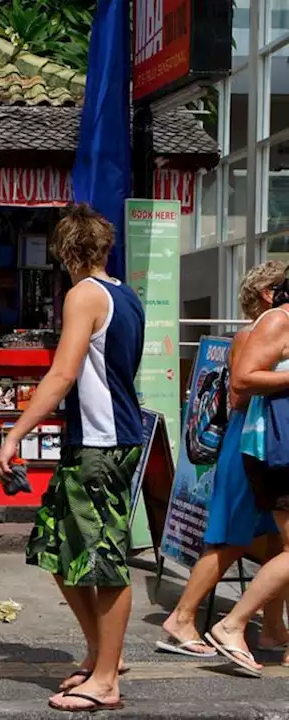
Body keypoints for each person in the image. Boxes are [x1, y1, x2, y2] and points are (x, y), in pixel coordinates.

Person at [0, 205, 144, 712]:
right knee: (55, 546)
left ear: (63, 253)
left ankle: (105, 680)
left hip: (102, 443)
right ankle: (104, 654)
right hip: (100, 441)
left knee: (105, 562)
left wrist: (13, 435)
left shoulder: (84, 295)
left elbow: (62, 374)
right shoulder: (126, 295)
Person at [159, 261, 289, 658]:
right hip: (252, 443)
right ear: (268, 295)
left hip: (267, 443)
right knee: (230, 537)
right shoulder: (254, 333)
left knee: (271, 543)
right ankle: (183, 616)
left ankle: (271, 626)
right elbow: (239, 393)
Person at [204, 265, 289, 677]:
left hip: (277, 447)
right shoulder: (276, 322)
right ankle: (231, 623)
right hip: (275, 449)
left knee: (283, 549)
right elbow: (242, 382)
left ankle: (273, 633)